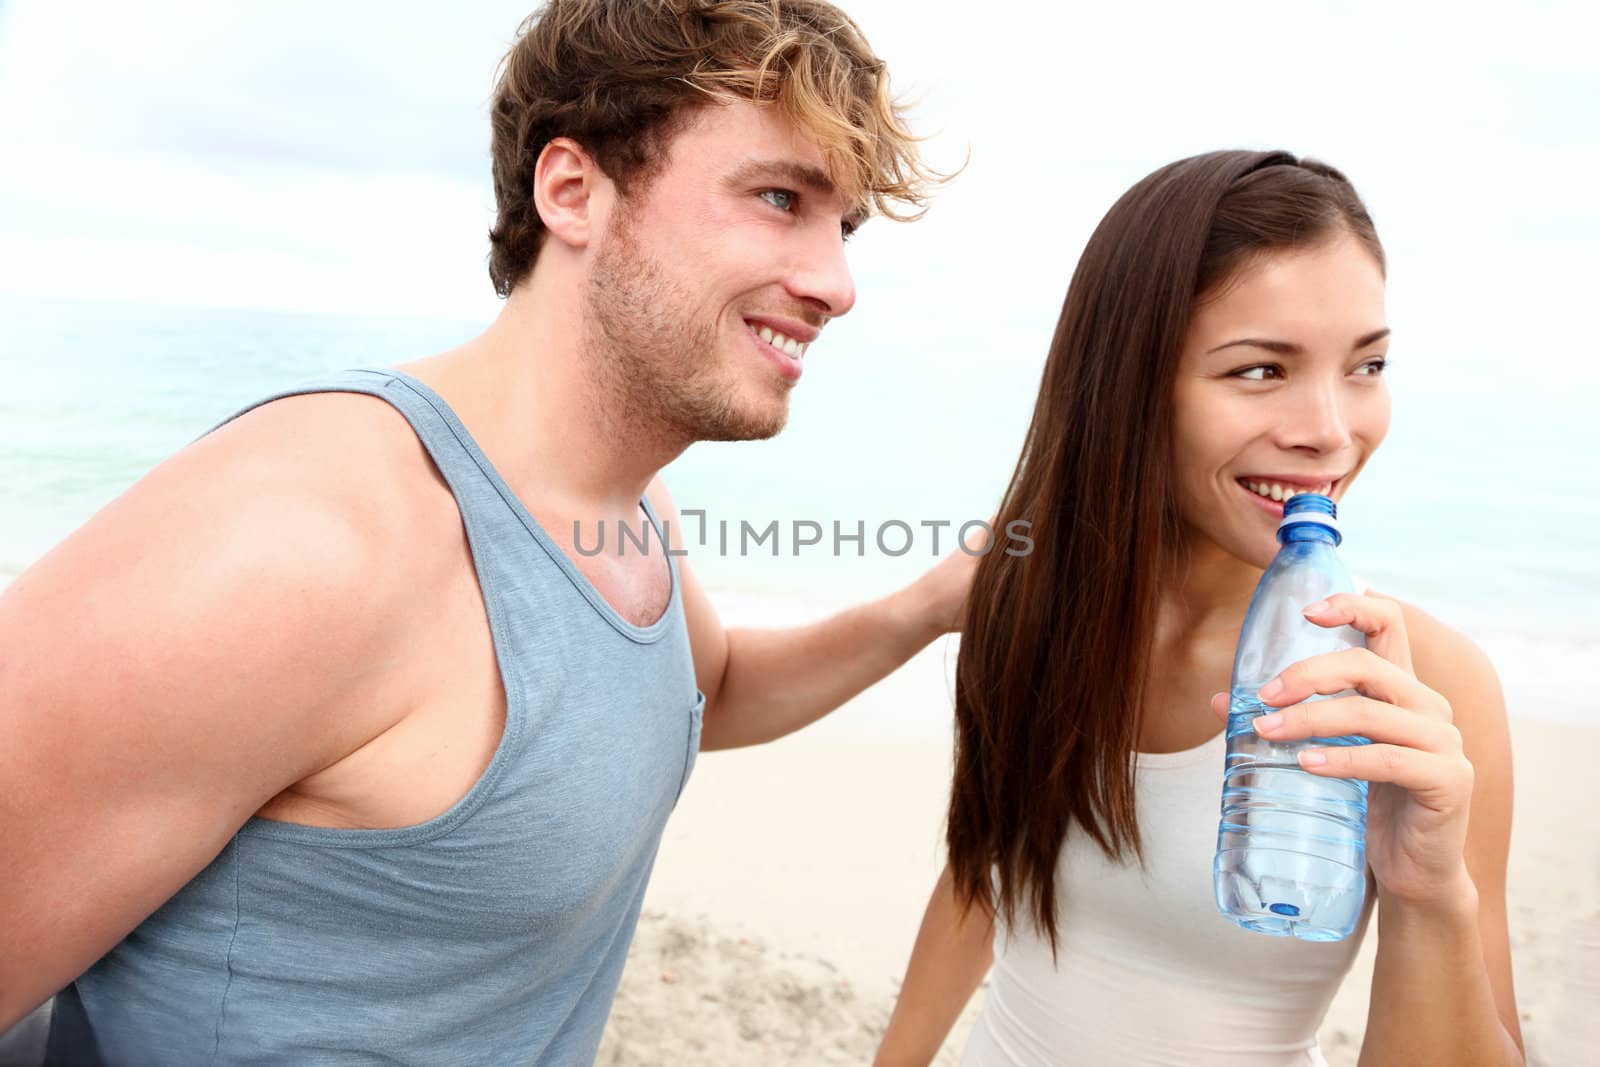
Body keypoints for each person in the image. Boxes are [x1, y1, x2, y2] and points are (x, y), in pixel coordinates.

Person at [0, 1, 970, 1062]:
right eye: (779, 197)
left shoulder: (630, 506)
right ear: (572, 191)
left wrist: (926, 606)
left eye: (844, 228)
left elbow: (710, 690)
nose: (835, 283)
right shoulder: (305, 539)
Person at [875, 150, 1523, 1066]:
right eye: (1261, 370)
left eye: (1366, 364)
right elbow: (982, 870)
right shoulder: (1031, 598)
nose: (1331, 431)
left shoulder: (1421, 687)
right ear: (1129, 384)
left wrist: (1430, 895)